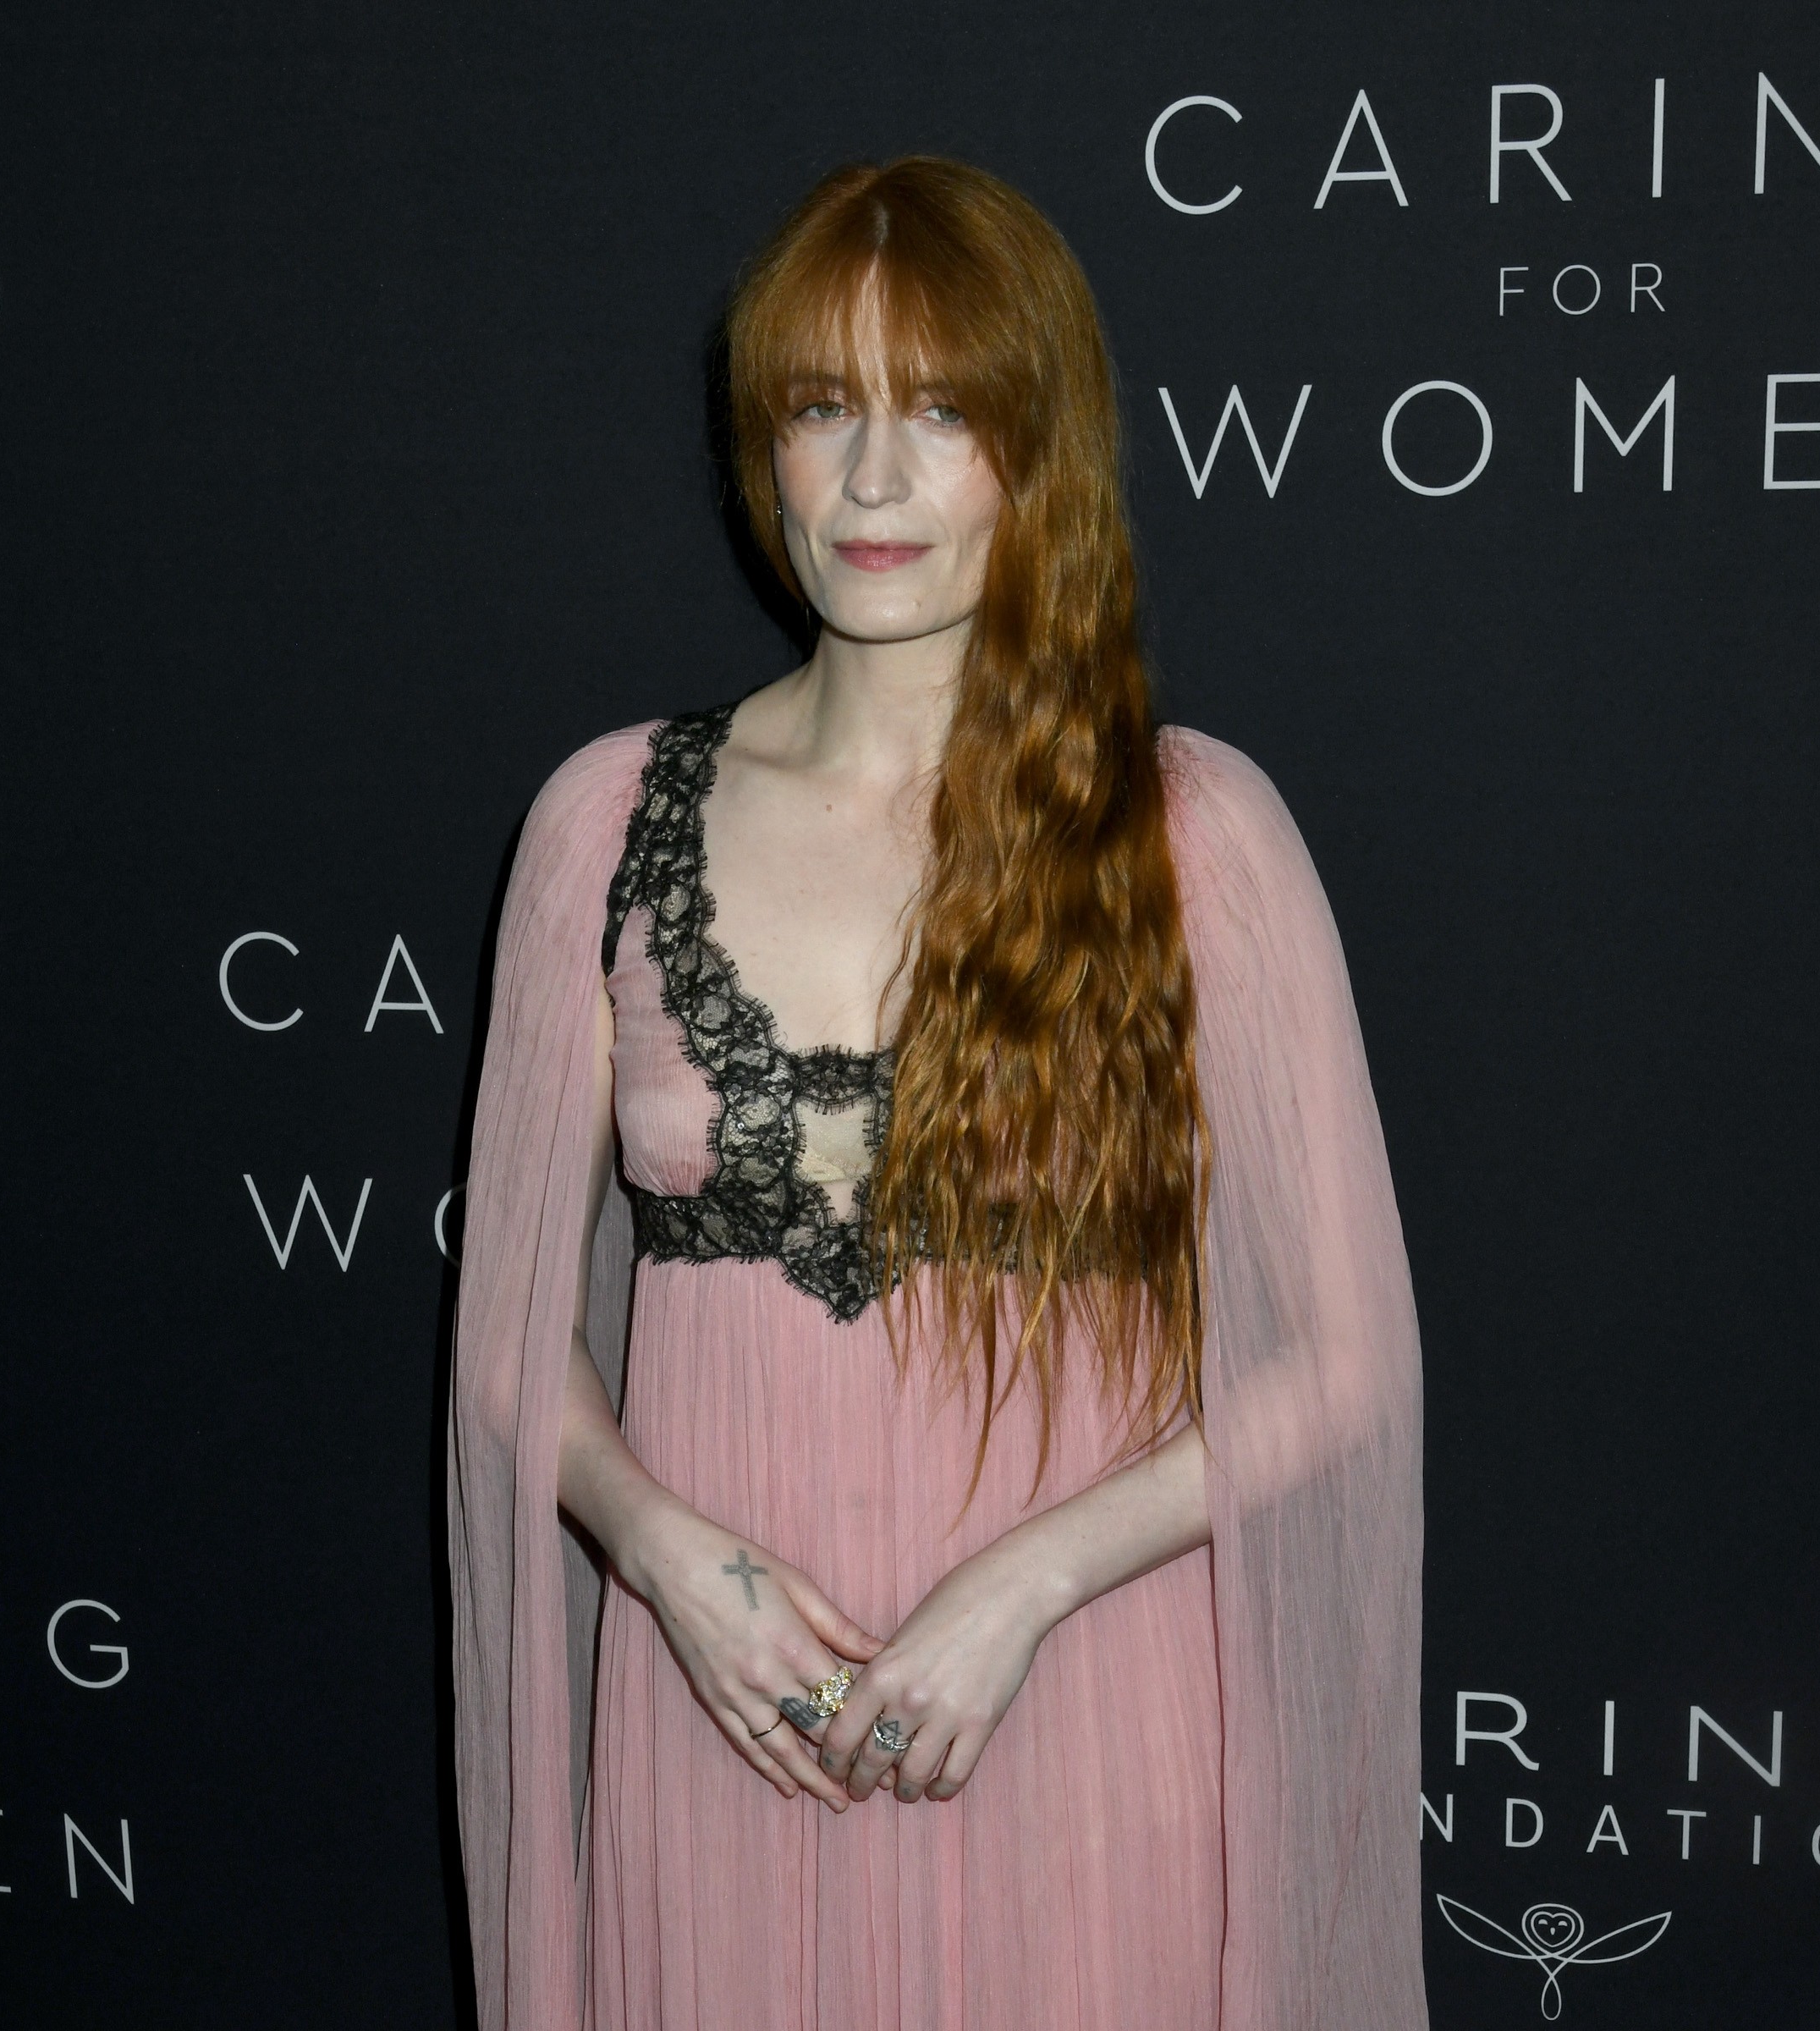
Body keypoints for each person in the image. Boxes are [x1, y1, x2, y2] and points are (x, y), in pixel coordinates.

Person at [448, 157, 1426, 2031]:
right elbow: (512, 1332)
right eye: (825, 410)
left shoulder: (1187, 833)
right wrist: (658, 1552)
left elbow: (1348, 1361)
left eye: (945, 412)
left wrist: (1027, 1587)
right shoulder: (604, 823)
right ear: (766, 449)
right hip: (728, 1711)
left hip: (1087, 1709)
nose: (875, 480)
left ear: (1037, 446)